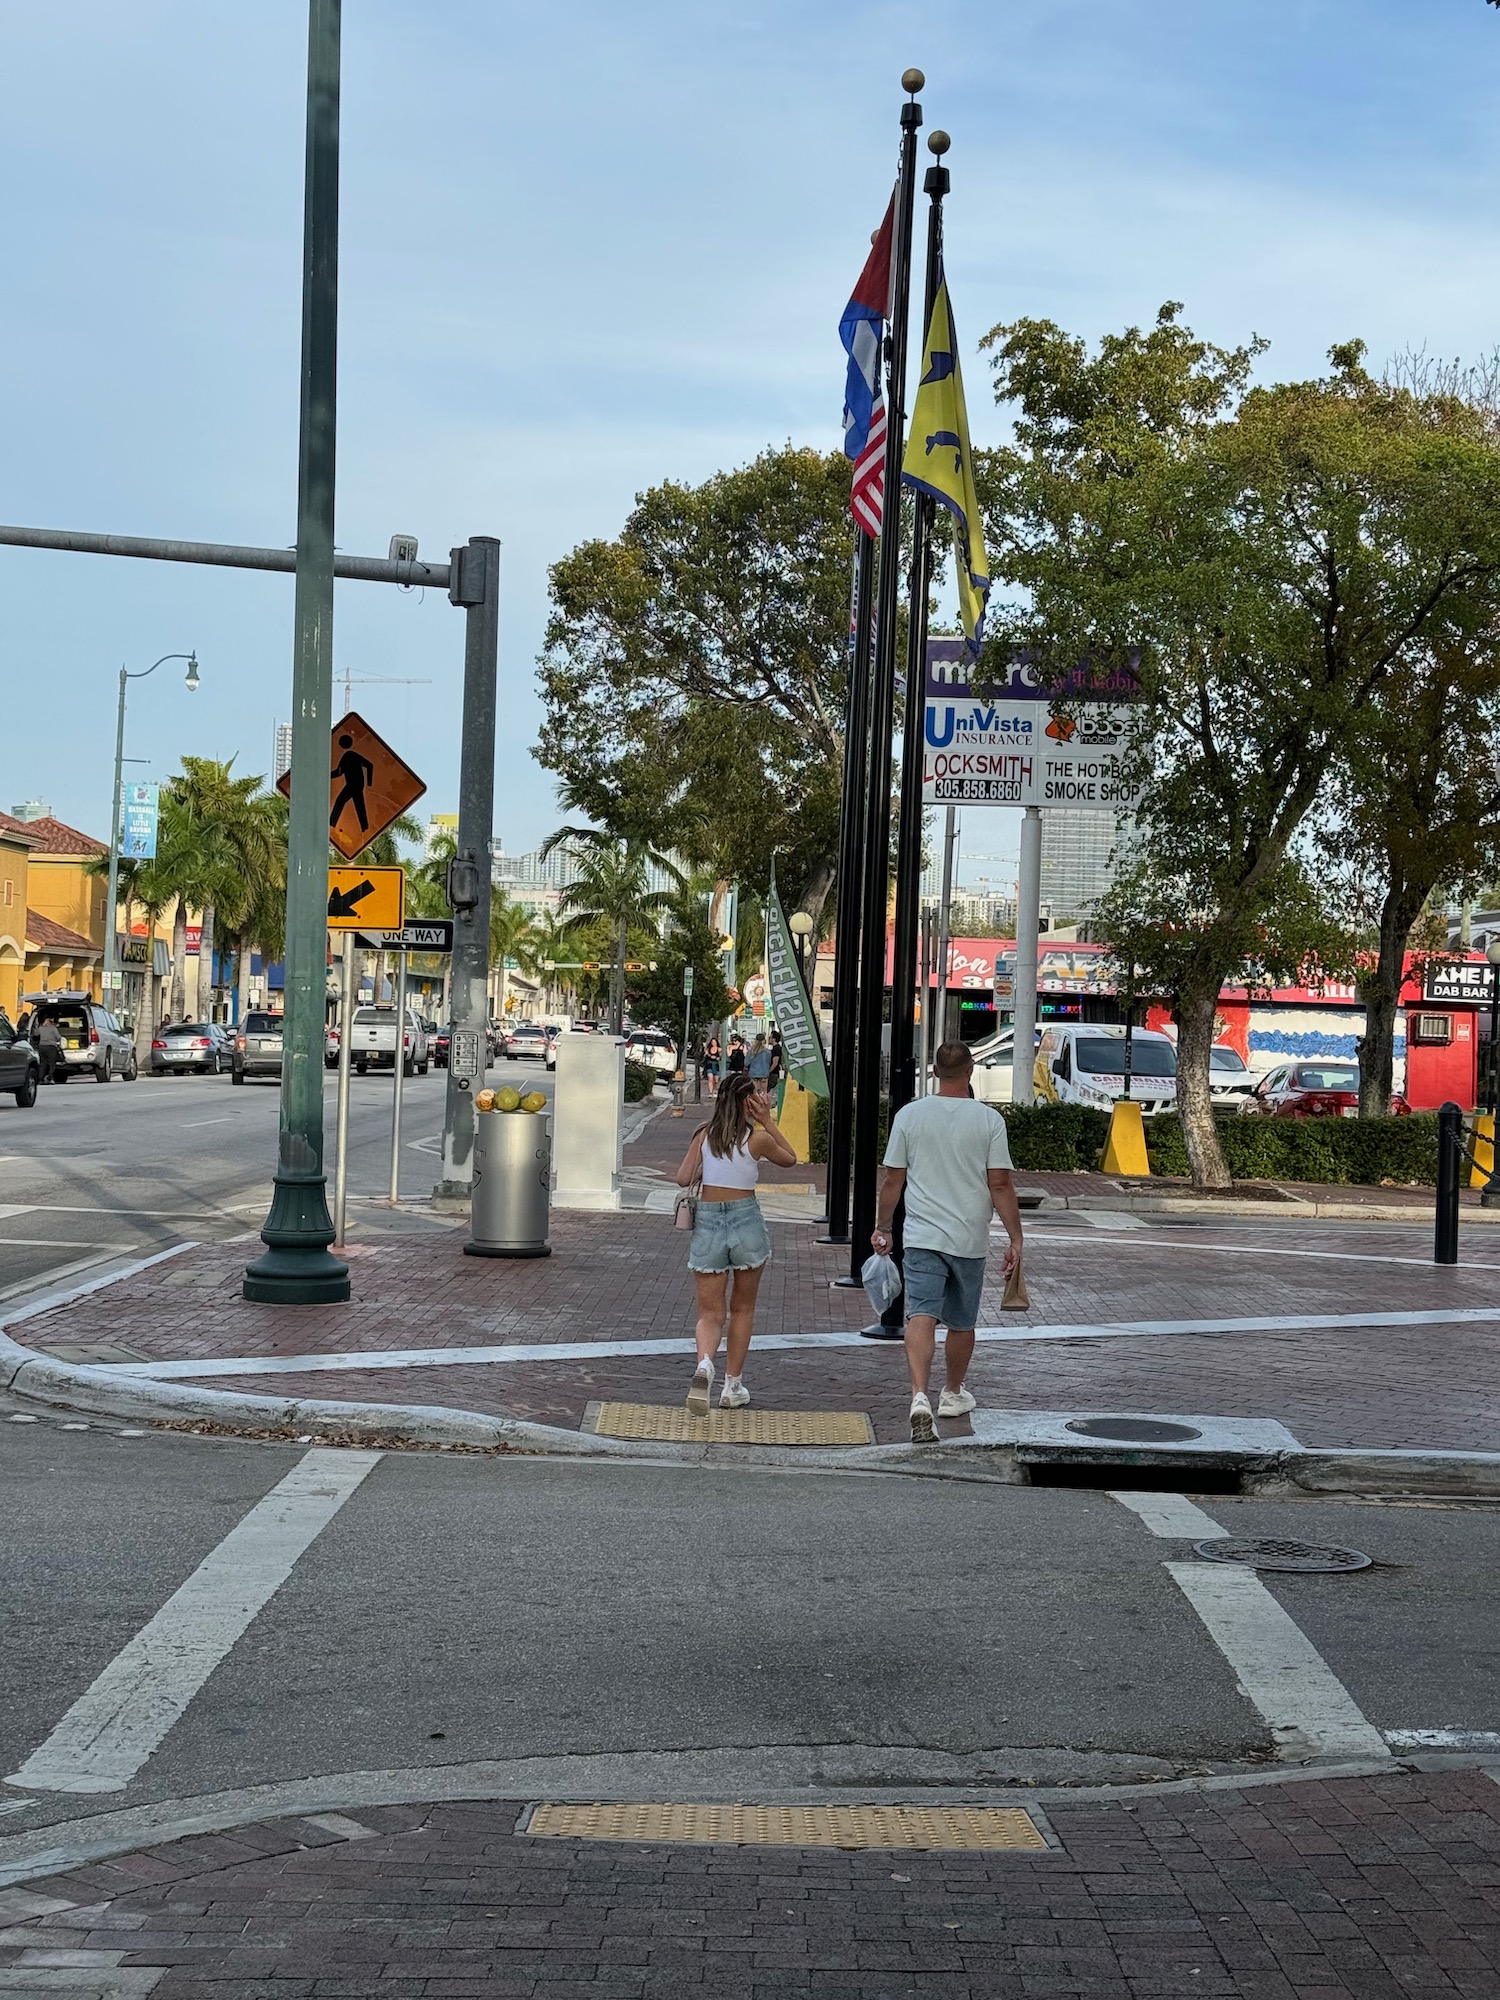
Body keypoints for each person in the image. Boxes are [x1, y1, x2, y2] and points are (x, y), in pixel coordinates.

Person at [872, 1039, 1024, 1443]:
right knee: (961, 1322)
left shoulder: (910, 1115)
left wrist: (883, 1227)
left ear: (935, 1072)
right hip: (968, 1238)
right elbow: (1001, 1184)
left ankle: (918, 1395)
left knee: (920, 1313)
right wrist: (1016, 1237)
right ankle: (952, 1393)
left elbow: (893, 1179)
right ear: (971, 1071)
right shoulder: (990, 1121)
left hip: (921, 1235)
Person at [676, 1072, 797, 1413]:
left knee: (710, 1313)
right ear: (750, 1102)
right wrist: (767, 1121)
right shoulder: (756, 1139)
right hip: (746, 1219)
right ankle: (732, 1386)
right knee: (742, 1308)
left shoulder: (704, 1135)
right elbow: (790, 1158)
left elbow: (683, 1178)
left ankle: (704, 1366)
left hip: (710, 1222)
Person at [36, 1013, 65, 1085]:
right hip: (51, 1047)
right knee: (52, 1063)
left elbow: (35, 1034)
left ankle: (40, 1079)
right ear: (51, 1022)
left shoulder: (41, 1028)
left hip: (42, 1047)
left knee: (43, 1064)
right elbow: (58, 1037)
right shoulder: (53, 1028)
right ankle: (50, 1078)